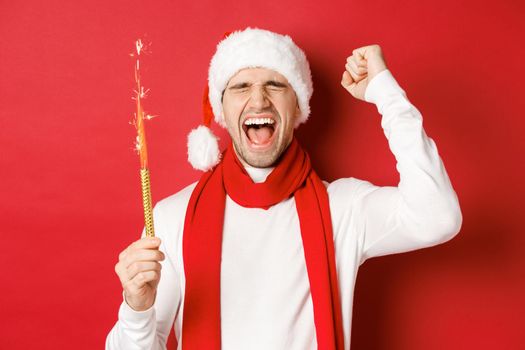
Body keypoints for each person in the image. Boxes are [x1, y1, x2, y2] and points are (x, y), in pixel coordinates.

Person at [106, 27, 462, 350]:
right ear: (222, 109)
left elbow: (438, 216)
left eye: (276, 85)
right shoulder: (173, 216)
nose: (259, 100)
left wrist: (386, 93)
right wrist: (137, 309)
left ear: (298, 106)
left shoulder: (343, 208)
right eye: (241, 86)